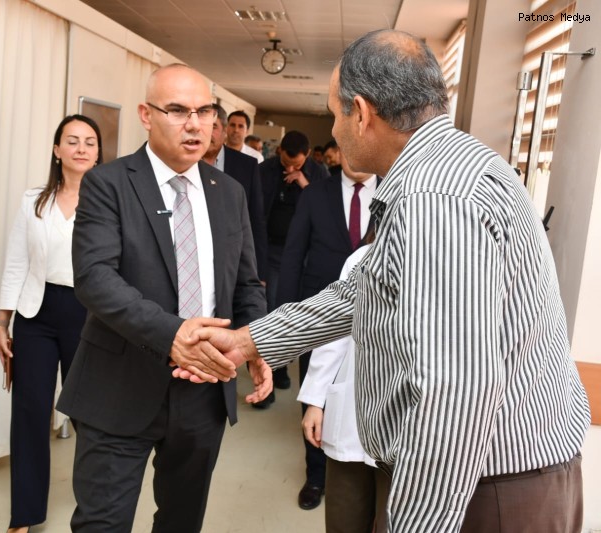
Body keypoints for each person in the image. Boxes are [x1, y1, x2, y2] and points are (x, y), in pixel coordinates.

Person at [176, 30, 590, 532]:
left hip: (485, 490)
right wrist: (249, 340)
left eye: (334, 114)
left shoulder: (433, 200)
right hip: (490, 477)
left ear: (362, 113)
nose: (335, 129)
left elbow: (451, 392)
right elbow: (362, 291)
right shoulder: (453, 166)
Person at [55, 63, 271, 533]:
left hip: (203, 392)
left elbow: (245, 283)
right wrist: (174, 335)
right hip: (119, 386)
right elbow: (94, 278)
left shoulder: (228, 193)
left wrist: (256, 343)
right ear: (146, 115)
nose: (195, 124)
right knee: (102, 524)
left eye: (204, 111)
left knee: (181, 522)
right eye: (177, 110)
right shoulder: (108, 183)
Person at [0, 114, 102, 533]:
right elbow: (16, 261)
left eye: (89, 142)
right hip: (35, 314)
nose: (80, 148)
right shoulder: (34, 200)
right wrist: (3, 320)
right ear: (57, 150)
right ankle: (23, 516)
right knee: (29, 412)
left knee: (89, 416)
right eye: (72, 141)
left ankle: (96, 512)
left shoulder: (109, 202)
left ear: (98, 152)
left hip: (88, 315)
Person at [276, 154, 379, 510]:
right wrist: (285, 320)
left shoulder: (395, 191)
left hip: (372, 319)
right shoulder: (315, 194)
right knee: (315, 394)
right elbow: (293, 254)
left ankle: (363, 471)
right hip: (319, 315)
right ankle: (316, 475)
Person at [299, 243, 389, 533]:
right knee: (344, 516)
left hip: (403, 426)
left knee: (393, 519)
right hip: (352, 416)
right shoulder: (362, 258)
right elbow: (332, 331)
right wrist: (315, 401)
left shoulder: (448, 259)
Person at [256, 129, 328, 402]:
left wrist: (303, 181)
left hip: (306, 255)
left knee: (299, 312)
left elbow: (326, 211)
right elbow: (256, 215)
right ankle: (272, 373)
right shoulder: (265, 171)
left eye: (295, 164)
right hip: (273, 252)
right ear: (279, 152)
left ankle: (286, 364)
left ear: (307, 155)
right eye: (286, 162)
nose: (289, 168)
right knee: (273, 310)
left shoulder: (319, 174)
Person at [202, 103, 268, 282]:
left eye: (213, 126)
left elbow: (256, 220)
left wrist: (259, 273)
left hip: (234, 261)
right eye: (203, 126)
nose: (207, 132)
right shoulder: (184, 163)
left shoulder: (247, 166)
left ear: (224, 130)